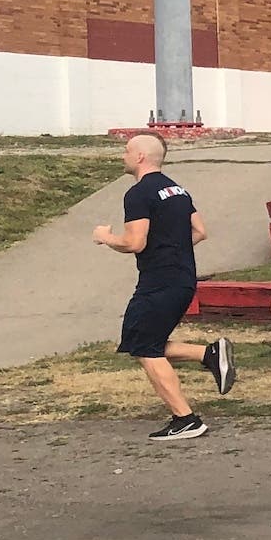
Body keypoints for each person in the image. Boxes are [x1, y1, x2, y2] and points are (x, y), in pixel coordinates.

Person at [91, 132, 234, 441]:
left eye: (127, 151)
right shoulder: (177, 190)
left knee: (145, 348)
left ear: (140, 157)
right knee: (140, 341)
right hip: (182, 278)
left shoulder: (138, 193)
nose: (123, 156)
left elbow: (134, 243)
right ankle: (209, 353)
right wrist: (171, 250)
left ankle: (186, 419)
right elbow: (200, 231)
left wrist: (106, 237)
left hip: (159, 282)